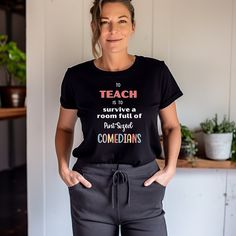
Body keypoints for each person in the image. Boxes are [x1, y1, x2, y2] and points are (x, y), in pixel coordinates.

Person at [55, 0, 183, 235]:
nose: (113, 30)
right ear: (95, 27)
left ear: (133, 26)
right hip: (90, 186)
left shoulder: (156, 72)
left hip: (144, 183)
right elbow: (64, 128)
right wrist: (63, 169)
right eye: (105, 22)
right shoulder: (76, 77)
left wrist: (171, 168)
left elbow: (172, 126)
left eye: (121, 21)